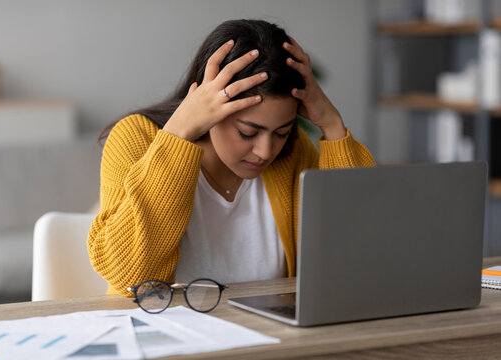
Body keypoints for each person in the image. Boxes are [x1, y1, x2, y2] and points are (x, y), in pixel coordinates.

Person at [88, 19, 375, 296]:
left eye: (282, 132)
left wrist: (333, 126)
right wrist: (179, 133)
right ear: (208, 105)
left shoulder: (293, 155)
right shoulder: (136, 138)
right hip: (162, 339)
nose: (265, 151)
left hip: (271, 340)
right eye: (248, 132)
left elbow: (357, 256)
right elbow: (129, 276)